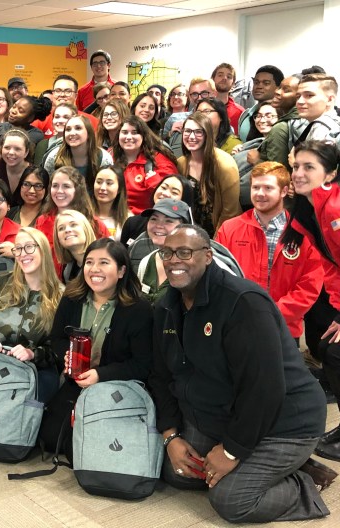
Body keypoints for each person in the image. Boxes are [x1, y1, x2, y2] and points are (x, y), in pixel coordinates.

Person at [148, 224, 329, 523]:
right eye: (167, 253)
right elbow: (161, 375)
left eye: (184, 252)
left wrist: (232, 451)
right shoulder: (166, 306)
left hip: (285, 422)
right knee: (178, 472)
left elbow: (264, 389)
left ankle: (304, 483)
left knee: (231, 500)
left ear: (207, 256)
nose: (173, 260)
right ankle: (267, 466)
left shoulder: (243, 301)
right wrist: (171, 437)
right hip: (222, 415)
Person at [39, 238, 153, 460]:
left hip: (116, 385)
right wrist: (69, 356)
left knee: (84, 448)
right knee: (52, 439)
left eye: (104, 262)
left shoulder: (140, 309)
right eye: (89, 262)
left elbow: (142, 364)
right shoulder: (72, 298)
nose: (94, 269)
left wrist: (101, 375)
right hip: (77, 381)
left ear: (121, 271)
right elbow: (57, 338)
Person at [216, 161, 322, 340]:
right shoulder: (229, 229)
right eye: (255, 187)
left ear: (283, 191)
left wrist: (272, 312)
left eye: (268, 188)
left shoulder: (304, 234)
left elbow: (310, 285)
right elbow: (218, 275)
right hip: (236, 325)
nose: (260, 194)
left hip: (284, 330)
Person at [282, 141, 340, 461]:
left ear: (330, 173)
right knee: (330, 350)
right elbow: (333, 266)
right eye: (296, 166)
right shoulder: (307, 209)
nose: (299, 173)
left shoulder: (334, 208)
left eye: (309, 168)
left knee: (335, 354)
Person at [0, 227, 64, 402]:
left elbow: (58, 347)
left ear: (43, 250)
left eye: (30, 247)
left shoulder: (60, 295)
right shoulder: (0, 282)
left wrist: (32, 354)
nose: (23, 253)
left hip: (37, 367)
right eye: (18, 248)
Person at [177, 112, 241, 236]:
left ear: (208, 135)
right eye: (187, 131)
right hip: (191, 232)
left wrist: (216, 243)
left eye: (198, 132)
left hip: (221, 231)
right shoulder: (181, 163)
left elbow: (229, 212)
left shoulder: (225, 165)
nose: (191, 136)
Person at [112, 115, 178, 215]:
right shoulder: (111, 159)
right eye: (124, 132)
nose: (129, 137)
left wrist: (154, 184)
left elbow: (173, 202)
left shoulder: (159, 161)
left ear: (144, 136)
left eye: (135, 133)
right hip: (117, 220)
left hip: (148, 221)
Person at [35, 166, 110, 252]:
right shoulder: (42, 221)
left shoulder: (95, 224)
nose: (59, 191)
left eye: (66, 186)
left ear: (77, 190)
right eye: (55, 186)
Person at [131, 199, 192, 304]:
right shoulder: (146, 262)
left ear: (185, 226)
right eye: (154, 219)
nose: (158, 226)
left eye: (168, 221)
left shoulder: (195, 264)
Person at [120, 173, 194, 245]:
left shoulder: (192, 233)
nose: (165, 193)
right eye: (163, 188)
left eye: (174, 192)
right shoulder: (133, 223)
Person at [43, 115, 113, 188]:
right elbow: (47, 189)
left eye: (78, 128)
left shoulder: (104, 158)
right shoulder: (53, 157)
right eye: (68, 129)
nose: (72, 133)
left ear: (89, 133)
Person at [32, 75, 99, 138]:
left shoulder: (91, 121)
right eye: (58, 91)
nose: (62, 95)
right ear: (53, 94)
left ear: (76, 96)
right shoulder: (41, 119)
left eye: (68, 91)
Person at [289, 74, 340, 151]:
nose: (299, 101)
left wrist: (294, 161)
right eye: (298, 96)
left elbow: (318, 163)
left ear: (330, 100)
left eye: (309, 95)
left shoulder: (323, 129)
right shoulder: (324, 126)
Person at [238, 65, 284, 142]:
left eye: (266, 83)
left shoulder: (283, 115)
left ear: (278, 87)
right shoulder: (246, 115)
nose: (259, 86)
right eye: (256, 82)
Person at [53, 210, 96, 283]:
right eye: (61, 228)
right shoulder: (67, 270)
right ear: (58, 239)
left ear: (85, 229)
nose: (67, 230)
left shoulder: (104, 260)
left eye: (73, 225)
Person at [0, 129, 32, 198]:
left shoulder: (32, 173)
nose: (11, 152)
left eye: (17, 149)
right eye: (7, 148)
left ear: (26, 152)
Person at [33, 102, 77, 167]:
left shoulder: (79, 144)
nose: (60, 120)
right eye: (57, 117)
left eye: (65, 117)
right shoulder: (43, 145)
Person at [91, 165, 128, 240]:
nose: (102, 188)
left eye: (109, 183)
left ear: (119, 189)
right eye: (99, 182)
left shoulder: (128, 219)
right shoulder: (83, 215)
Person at [210, 63, 245, 134]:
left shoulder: (240, 113)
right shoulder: (202, 108)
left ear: (233, 84)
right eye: (220, 75)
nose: (224, 78)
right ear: (213, 79)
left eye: (229, 77)